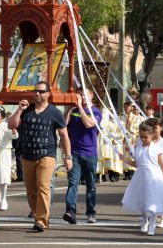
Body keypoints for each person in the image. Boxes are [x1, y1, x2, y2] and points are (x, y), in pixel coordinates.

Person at [8, 81, 73, 232]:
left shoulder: (55, 112)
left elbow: (64, 136)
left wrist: (68, 157)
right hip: (27, 156)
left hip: (47, 156)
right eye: (35, 91)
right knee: (31, 191)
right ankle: (39, 216)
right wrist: (19, 110)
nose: (37, 94)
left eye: (41, 91)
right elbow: (11, 125)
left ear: (48, 94)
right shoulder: (27, 110)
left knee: (43, 187)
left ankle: (41, 221)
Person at [120, 123, 163, 236]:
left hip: (154, 177)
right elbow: (137, 164)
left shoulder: (157, 149)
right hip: (140, 177)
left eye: (145, 137)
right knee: (143, 200)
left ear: (152, 135)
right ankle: (144, 222)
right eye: (141, 137)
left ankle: (152, 224)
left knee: (153, 202)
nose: (143, 139)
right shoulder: (138, 148)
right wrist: (125, 160)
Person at [63, 88, 102, 224]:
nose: (82, 97)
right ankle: (70, 211)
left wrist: (80, 106)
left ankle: (91, 213)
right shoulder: (74, 111)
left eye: (85, 95)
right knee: (73, 182)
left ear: (91, 96)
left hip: (90, 153)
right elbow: (63, 124)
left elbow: (89, 124)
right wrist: (68, 109)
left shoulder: (95, 112)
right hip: (75, 152)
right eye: (80, 95)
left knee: (90, 184)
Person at [0, 107, 18, 211]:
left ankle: (3, 199)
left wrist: (14, 128)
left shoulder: (7, 125)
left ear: (0, 115)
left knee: (3, 176)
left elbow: (15, 136)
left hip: (4, 152)